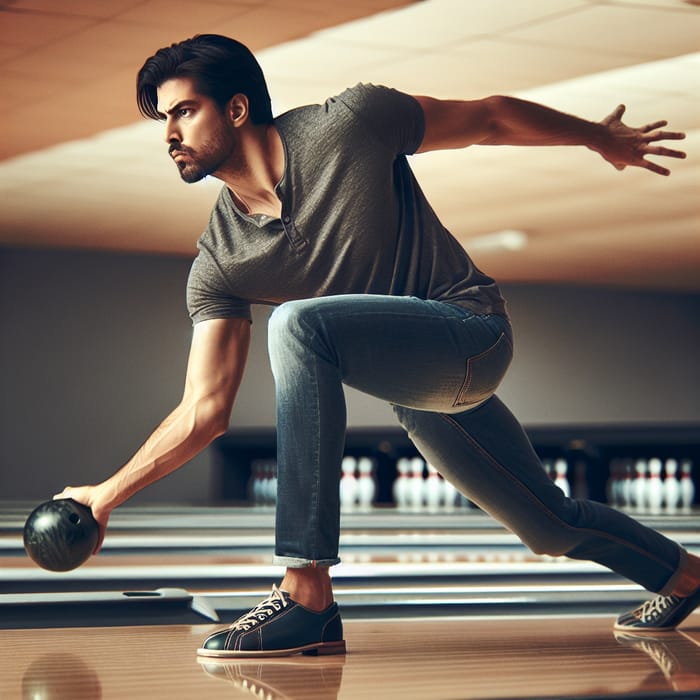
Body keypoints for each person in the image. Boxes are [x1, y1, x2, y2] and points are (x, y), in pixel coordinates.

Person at [56, 34, 698, 658]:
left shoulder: (349, 123)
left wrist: (597, 134)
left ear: (238, 107)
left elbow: (491, 118)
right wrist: (104, 494)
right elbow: (204, 408)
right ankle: (684, 576)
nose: (169, 134)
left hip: (470, 331)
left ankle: (307, 595)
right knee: (548, 525)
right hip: (417, 392)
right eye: (162, 119)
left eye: (183, 112)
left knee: (296, 324)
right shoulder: (221, 261)